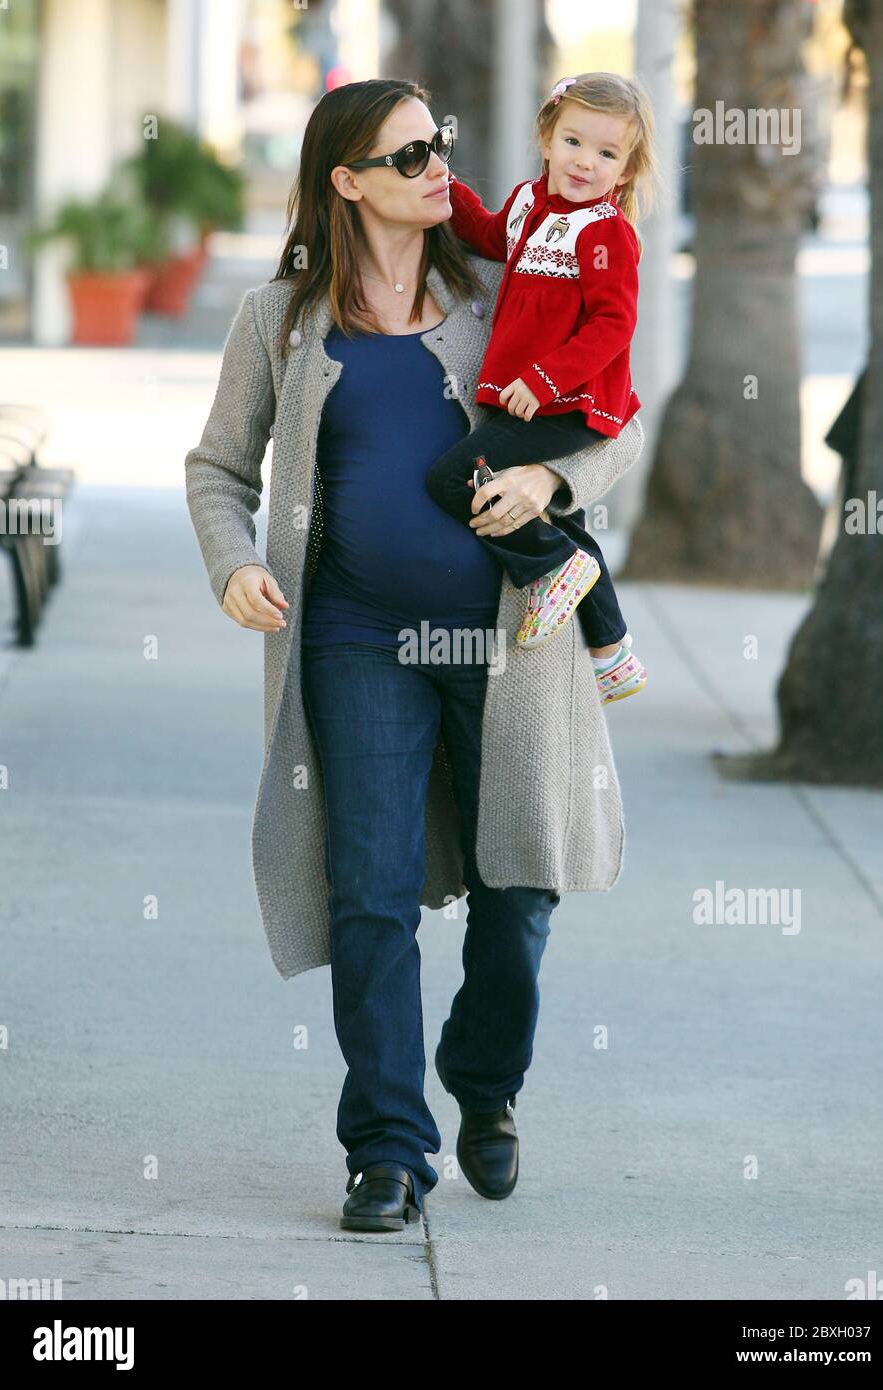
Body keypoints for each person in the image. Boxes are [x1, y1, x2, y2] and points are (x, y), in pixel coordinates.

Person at [184, 78, 644, 1233]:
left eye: (436, 143)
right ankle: (386, 1148)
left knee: (518, 885)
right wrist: (231, 562)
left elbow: (612, 419)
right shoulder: (279, 319)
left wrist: (546, 478)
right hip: (354, 639)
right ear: (346, 182)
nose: (439, 165)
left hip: (507, 646)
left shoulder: (499, 285)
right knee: (370, 890)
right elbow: (218, 468)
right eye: (407, 156)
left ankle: (483, 1080)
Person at [425, 72, 656, 704]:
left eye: (607, 153)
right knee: (563, 518)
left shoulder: (604, 232)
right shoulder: (529, 203)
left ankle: (550, 567)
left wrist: (545, 378)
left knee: (451, 478)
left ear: (626, 170)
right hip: (533, 395)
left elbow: (613, 324)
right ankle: (612, 652)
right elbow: (486, 234)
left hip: (570, 399)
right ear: (547, 139)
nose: (586, 162)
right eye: (574, 142)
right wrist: (443, 182)